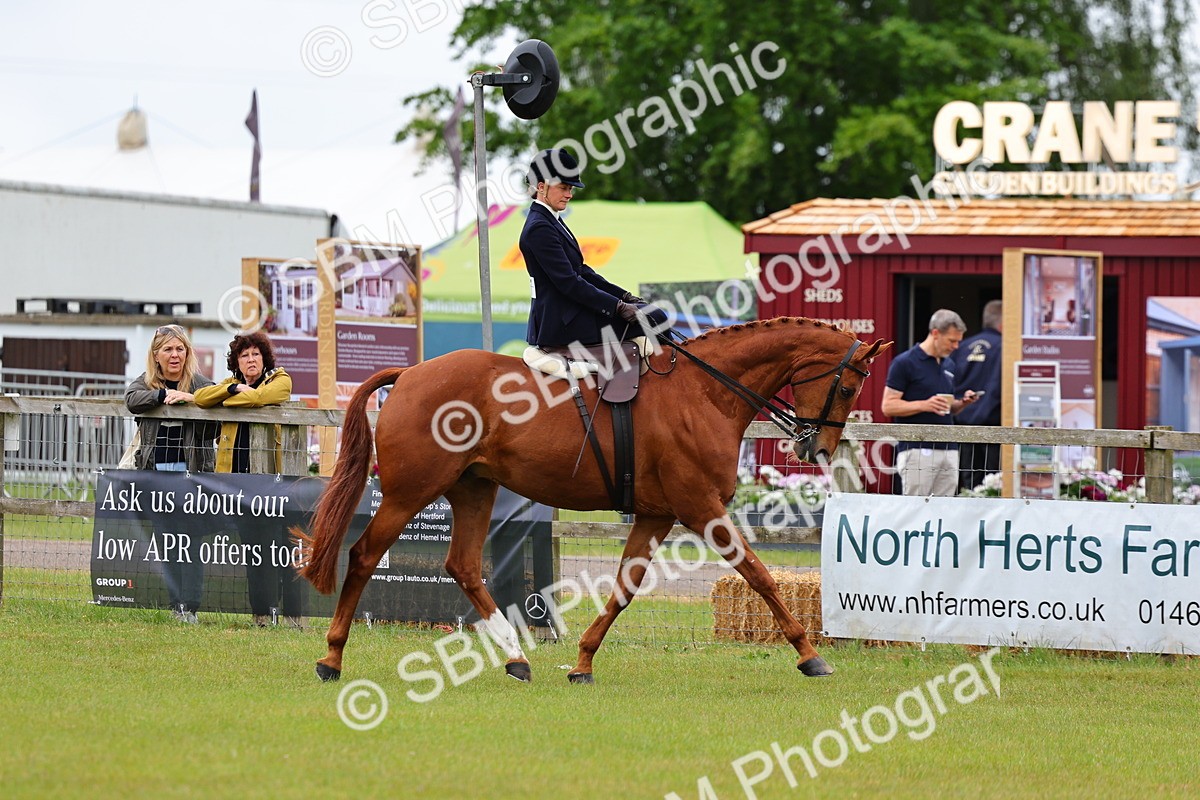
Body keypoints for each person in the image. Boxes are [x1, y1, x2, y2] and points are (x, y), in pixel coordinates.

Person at [194, 332, 300, 627]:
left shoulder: (281, 380)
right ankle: (262, 615)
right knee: (254, 550)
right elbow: (202, 398)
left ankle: (293, 615)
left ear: (264, 358)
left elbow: (259, 398)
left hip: (273, 481)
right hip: (237, 484)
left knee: (284, 549)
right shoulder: (231, 386)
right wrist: (231, 391)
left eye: (255, 354)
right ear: (236, 362)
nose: (250, 360)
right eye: (244, 355)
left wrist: (228, 397)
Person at [519, 147, 668, 348]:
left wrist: (623, 296)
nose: (569, 194)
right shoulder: (539, 227)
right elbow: (569, 283)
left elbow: (582, 271)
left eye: (571, 189)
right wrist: (617, 307)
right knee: (654, 318)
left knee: (652, 313)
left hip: (571, 313)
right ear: (541, 186)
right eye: (564, 188)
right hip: (561, 323)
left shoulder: (552, 219)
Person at [124, 323, 217, 623]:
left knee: (189, 542)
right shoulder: (146, 383)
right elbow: (130, 399)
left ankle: (190, 606)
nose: (174, 355)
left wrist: (192, 402)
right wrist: (160, 396)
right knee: (166, 542)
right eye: (168, 349)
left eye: (180, 349)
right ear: (156, 354)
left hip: (193, 477)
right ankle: (175, 604)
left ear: (188, 353)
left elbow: (218, 417)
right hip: (156, 475)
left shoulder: (202, 384)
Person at [880, 309, 980, 496]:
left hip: (949, 448)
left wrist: (963, 403)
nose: (956, 346)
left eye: (958, 341)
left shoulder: (948, 364)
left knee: (945, 510)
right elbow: (888, 406)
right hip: (917, 448)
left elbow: (947, 409)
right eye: (952, 340)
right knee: (916, 510)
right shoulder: (904, 362)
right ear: (935, 333)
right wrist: (924, 404)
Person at [952, 300, 1003, 492]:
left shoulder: (962, 347)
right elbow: (999, 387)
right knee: (992, 484)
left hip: (964, 427)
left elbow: (950, 383)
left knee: (969, 482)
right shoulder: (1006, 347)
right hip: (993, 428)